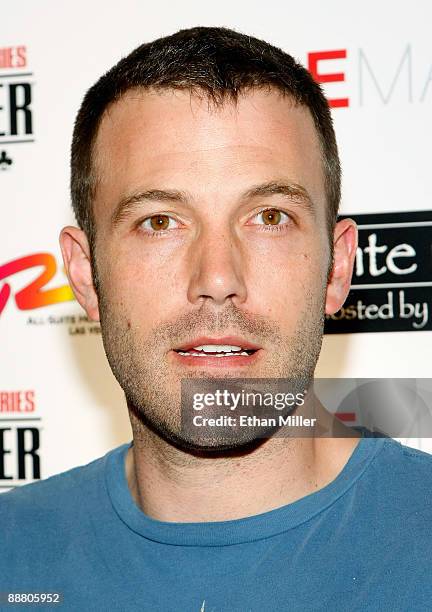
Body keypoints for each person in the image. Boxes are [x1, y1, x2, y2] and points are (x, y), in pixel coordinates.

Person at [1, 26, 431, 611]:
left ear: (336, 269)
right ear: (85, 274)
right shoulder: (13, 553)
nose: (218, 279)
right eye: (159, 222)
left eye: (270, 217)